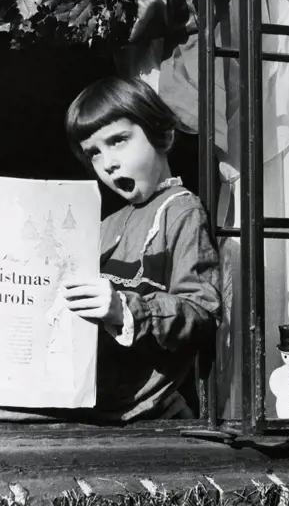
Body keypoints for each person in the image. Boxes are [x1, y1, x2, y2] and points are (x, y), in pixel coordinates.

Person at [62, 76, 222, 421]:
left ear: (162, 136)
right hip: (87, 383)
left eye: (118, 141)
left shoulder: (182, 210)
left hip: (134, 395)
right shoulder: (105, 225)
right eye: (94, 153)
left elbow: (202, 313)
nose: (108, 163)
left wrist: (125, 309)